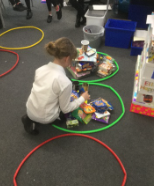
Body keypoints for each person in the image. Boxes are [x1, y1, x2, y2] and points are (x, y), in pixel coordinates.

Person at [22, 37, 90, 135]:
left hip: (29, 109)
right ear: (67, 59)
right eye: (72, 60)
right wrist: (83, 98)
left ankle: (29, 119)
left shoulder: (40, 69)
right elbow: (65, 108)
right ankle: (45, 120)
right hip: (46, 118)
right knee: (64, 114)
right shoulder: (65, 82)